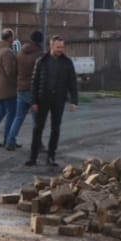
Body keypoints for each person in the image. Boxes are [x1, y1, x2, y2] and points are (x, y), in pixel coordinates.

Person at [27, 35, 79, 168]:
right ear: (51, 46)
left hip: (58, 99)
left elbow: (72, 83)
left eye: (62, 47)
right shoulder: (41, 61)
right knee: (38, 128)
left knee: (55, 129)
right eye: (58, 47)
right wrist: (33, 101)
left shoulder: (67, 62)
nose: (60, 50)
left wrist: (74, 101)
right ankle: (33, 157)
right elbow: (34, 82)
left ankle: (51, 157)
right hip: (42, 99)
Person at [7, 30, 45, 150]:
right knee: (36, 119)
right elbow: (43, 74)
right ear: (40, 41)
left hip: (21, 88)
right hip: (33, 90)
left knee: (18, 117)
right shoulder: (40, 55)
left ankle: (10, 141)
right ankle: (37, 143)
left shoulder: (21, 52)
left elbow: (15, 70)